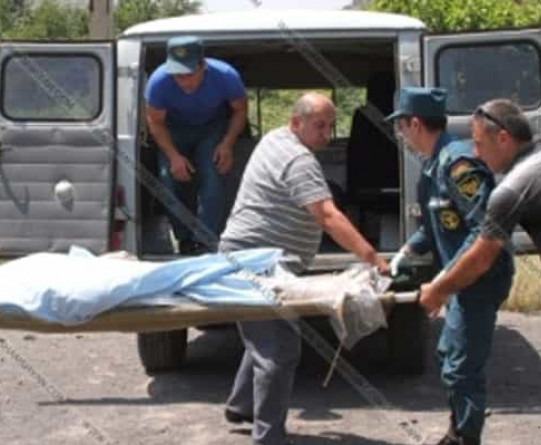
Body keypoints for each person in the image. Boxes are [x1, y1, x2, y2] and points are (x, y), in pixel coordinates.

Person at [419, 98, 541, 445]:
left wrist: (439, 290)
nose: (476, 153)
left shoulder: (511, 188)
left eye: (479, 144)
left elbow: (481, 257)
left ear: (502, 138)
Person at [220, 92, 387, 445]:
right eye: (319, 126)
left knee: (262, 333)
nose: (326, 134)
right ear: (296, 123)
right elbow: (327, 216)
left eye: (330, 126)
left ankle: (241, 406)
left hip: (251, 256)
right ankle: (268, 438)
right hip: (257, 262)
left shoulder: (274, 139)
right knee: (281, 348)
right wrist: (371, 256)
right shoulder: (298, 159)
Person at [386, 88, 514, 445]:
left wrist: (443, 281)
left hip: (479, 277)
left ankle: (465, 438)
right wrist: (405, 252)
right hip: (461, 277)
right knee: (449, 354)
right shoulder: (433, 167)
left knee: (461, 366)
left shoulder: (459, 165)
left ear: (415, 124)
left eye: (401, 126)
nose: (400, 134)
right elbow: (434, 225)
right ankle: (457, 430)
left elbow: (484, 231)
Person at [145, 35, 247, 254]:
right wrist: (173, 157)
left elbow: (240, 110)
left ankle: (205, 240)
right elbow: (155, 122)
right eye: (178, 76)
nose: (184, 82)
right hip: (173, 130)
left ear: (203, 66)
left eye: (189, 75)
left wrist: (227, 143)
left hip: (212, 128)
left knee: (213, 175)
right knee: (168, 179)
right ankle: (184, 239)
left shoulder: (226, 76)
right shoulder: (158, 82)